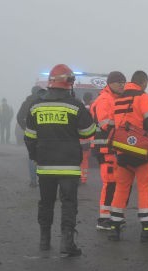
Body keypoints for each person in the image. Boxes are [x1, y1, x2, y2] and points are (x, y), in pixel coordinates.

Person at [24, 64, 96, 257]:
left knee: (46, 203)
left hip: (45, 164)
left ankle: (44, 241)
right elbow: (88, 131)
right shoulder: (75, 106)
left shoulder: (36, 106)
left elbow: (29, 136)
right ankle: (67, 243)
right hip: (69, 165)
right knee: (69, 204)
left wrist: (35, 157)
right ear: (69, 83)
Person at [107, 70, 148, 242]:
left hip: (122, 151)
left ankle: (114, 228)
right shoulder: (142, 96)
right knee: (145, 189)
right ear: (144, 82)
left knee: (121, 189)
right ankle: (147, 230)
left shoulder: (118, 99)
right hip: (141, 152)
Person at [90, 71, 126, 230]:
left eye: (123, 82)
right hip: (105, 148)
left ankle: (112, 216)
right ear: (110, 83)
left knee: (114, 182)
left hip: (110, 147)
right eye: (119, 82)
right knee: (110, 182)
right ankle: (104, 219)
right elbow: (106, 124)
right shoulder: (105, 99)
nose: (122, 85)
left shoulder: (112, 98)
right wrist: (125, 124)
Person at [18, 86, 45, 187]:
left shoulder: (26, 103)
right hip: (42, 133)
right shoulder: (43, 102)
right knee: (44, 156)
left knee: (32, 156)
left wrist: (25, 128)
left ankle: (33, 181)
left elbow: (19, 117)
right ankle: (43, 179)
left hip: (30, 134)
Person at [78, 92, 94, 184]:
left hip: (79, 139)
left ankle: (79, 177)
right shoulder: (94, 107)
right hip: (88, 139)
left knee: (79, 160)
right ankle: (84, 178)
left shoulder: (82, 110)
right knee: (85, 160)